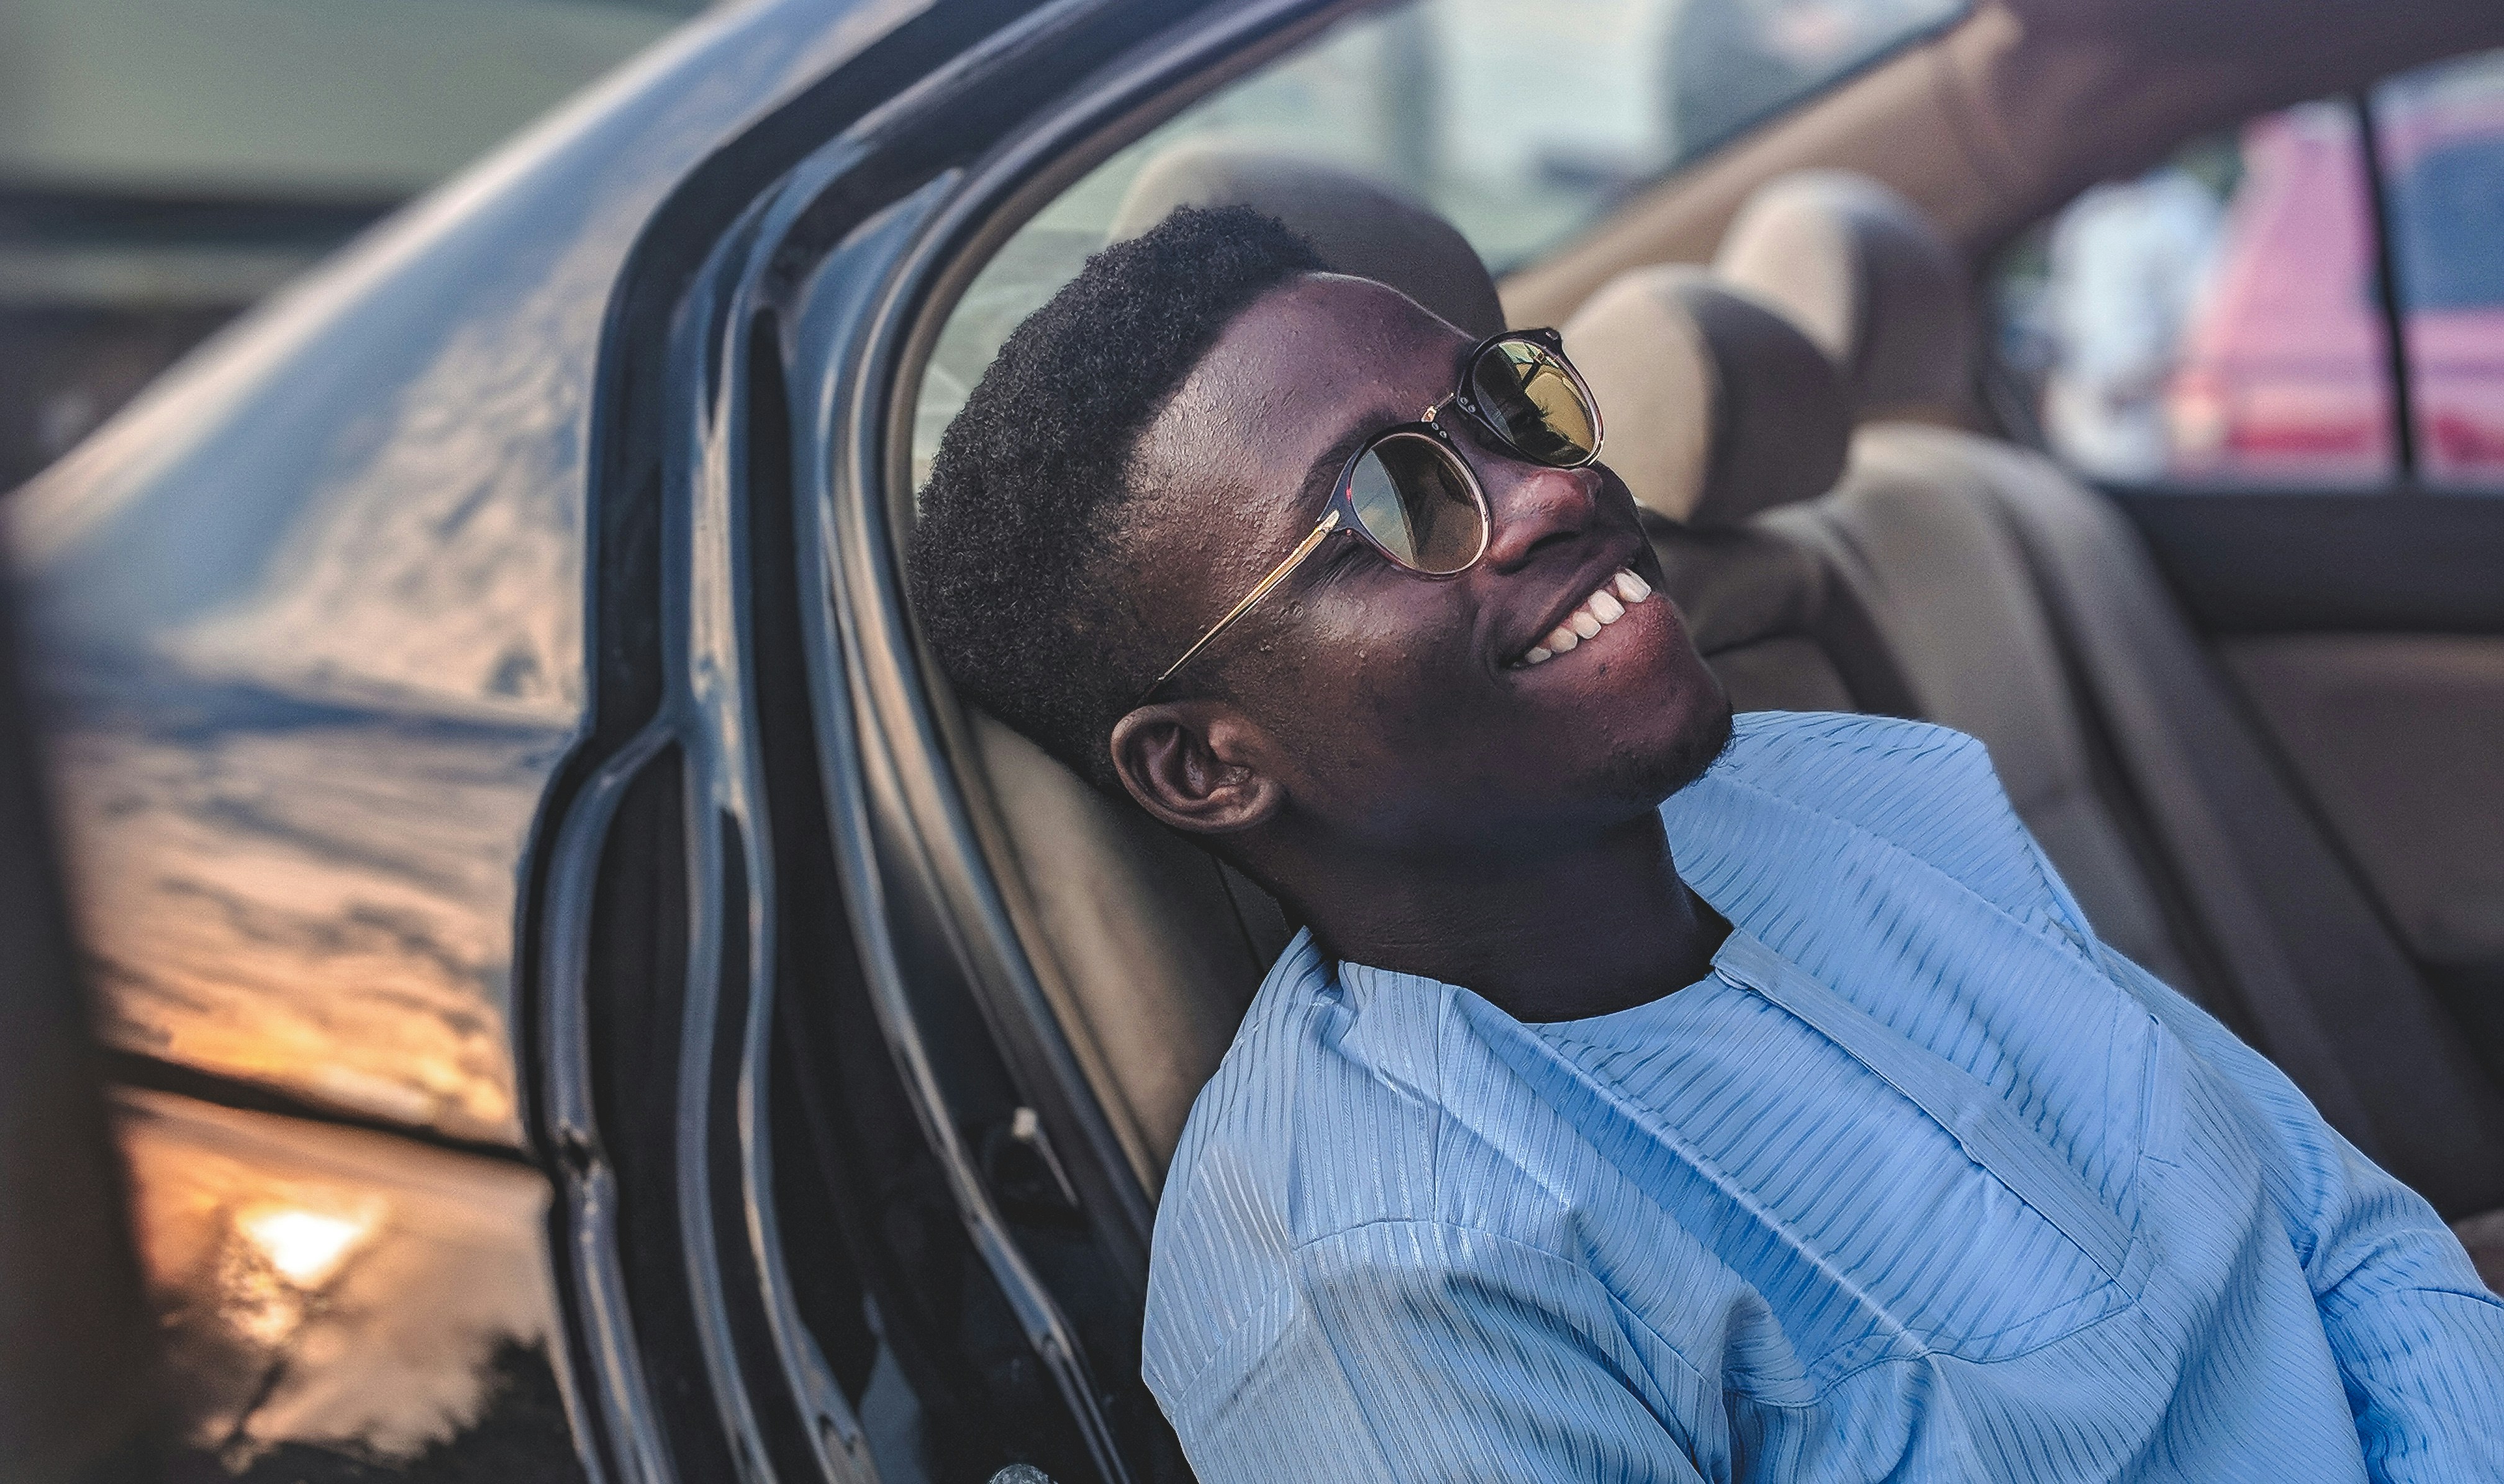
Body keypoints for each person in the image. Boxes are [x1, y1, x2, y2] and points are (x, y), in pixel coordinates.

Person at [908, 206, 2504, 1482]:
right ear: (1204, 767)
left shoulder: (1862, 798)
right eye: (1395, 503)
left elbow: (2344, 1233)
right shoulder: (1388, 1288)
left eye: (1501, 406)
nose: (1542, 492)